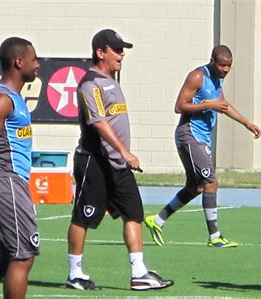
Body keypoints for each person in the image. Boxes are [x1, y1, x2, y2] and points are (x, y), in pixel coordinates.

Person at [66, 29, 173, 291]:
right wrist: (124, 151)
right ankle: (75, 273)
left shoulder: (112, 80)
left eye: (122, 49)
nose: (121, 54)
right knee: (84, 217)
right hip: (95, 162)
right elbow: (99, 123)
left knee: (133, 213)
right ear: (100, 52)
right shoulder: (90, 84)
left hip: (117, 165)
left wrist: (122, 156)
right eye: (116, 49)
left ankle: (139, 273)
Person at [145, 45, 261, 248]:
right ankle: (214, 236)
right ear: (212, 61)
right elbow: (179, 106)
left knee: (196, 186)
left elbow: (223, 105)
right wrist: (208, 105)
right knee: (210, 182)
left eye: (229, 66)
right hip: (189, 135)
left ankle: (158, 220)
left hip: (202, 137)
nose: (225, 69)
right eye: (222, 65)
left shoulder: (218, 78)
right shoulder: (197, 76)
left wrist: (247, 123)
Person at [0, 37, 40, 299]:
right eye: (34, 59)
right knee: (22, 256)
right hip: (3, 182)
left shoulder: (15, 98)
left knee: (10, 259)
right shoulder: (1, 98)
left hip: (12, 184)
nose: (38, 64)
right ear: (18, 61)